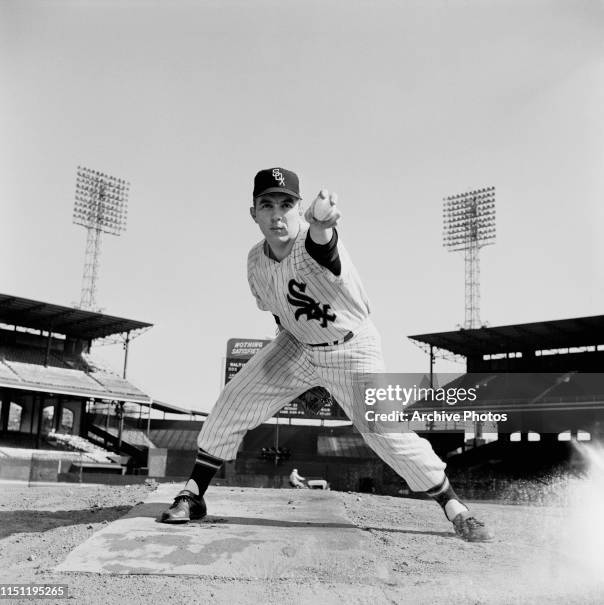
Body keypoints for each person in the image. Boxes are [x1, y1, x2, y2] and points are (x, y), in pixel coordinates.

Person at [160, 167, 493, 542]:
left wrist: (322, 223)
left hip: (352, 348)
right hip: (297, 343)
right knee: (234, 399)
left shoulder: (312, 240)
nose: (276, 214)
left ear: (299, 209)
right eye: (266, 205)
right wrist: (302, 373)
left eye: (286, 204)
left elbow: (323, 243)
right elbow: (278, 310)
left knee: (385, 433)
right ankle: (194, 492)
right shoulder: (255, 260)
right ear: (252, 212)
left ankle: (454, 507)